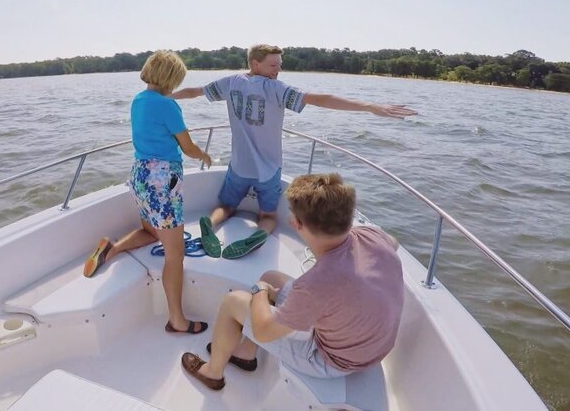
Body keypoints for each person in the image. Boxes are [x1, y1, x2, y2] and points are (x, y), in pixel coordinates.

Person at [172, 44, 417, 259]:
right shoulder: (275, 88)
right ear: (255, 63)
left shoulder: (231, 82)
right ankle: (258, 235)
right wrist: (370, 106)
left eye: (279, 64)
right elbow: (321, 98)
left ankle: (211, 222)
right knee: (268, 214)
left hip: (239, 165)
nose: (277, 70)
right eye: (272, 65)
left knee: (226, 205)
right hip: (268, 169)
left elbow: (195, 91)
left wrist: (167, 96)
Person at [181, 173, 404, 390]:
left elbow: (263, 331)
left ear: (296, 223)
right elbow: (392, 243)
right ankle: (246, 354)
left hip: (333, 360)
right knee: (272, 277)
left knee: (234, 301)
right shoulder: (373, 236)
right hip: (370, 346)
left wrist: (260, 291)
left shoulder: (316, 284)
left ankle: (213, 373)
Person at [83, 50, 213, 334]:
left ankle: (112, 249)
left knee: (153, 230)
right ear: (171, 77)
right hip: (163, 181)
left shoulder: (139, 100)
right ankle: (177, 320)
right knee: (174, 255)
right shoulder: (167, 105)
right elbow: (188, 148)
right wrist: (204, 155)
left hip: (140, 175)